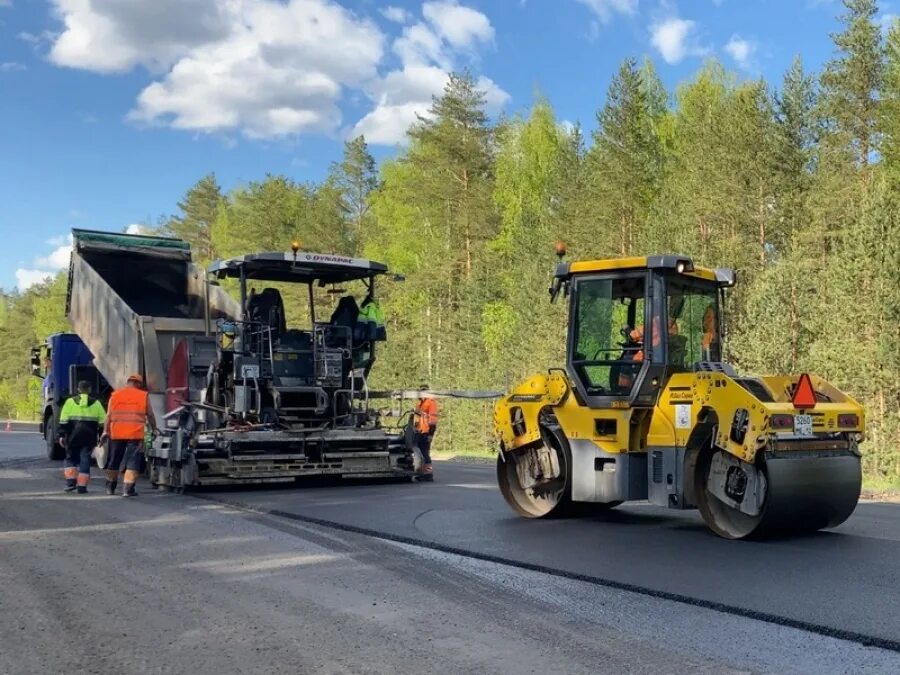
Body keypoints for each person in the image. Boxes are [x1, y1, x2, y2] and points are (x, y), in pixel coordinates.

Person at [103, 373, 154, 497]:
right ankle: (128, 489)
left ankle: (110, 488)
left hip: (117, 433)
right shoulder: (143, 396)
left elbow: (108, 415)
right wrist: (154, 429)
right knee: (132, 462)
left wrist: (105, 431)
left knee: (114, 460)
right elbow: (150, 415)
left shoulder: (115, 395)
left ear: (128, 382)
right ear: (138, 383)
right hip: (135, 434)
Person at [58, 380, 106, 494]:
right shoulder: (96, 403)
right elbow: (103, 422)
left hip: (72, 436)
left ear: (78, 389)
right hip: (89, 437)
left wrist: (61, 435)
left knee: (70, 458)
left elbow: (63, 420)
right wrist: (101, 437)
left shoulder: (70, 402)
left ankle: (70, 483)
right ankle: (82, 486)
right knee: (85, 460)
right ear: (89, 390)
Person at [413, 386, 439, 482]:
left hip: (427, 431)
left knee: (425, 452)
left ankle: (428, 474)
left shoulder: (431, 402)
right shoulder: (420, 402)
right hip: (419, 431)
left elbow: (433, 420)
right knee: (419, 453)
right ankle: (422, 473)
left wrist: (430, 434)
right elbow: (418, 416)